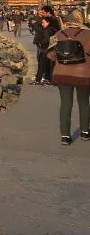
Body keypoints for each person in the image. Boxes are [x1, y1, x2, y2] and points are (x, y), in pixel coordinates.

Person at [47, 9, 90, 145]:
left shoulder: (58, 34)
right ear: (81, 19)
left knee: (65, 103)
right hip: (83, 74)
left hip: (62, 74)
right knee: (84, 103)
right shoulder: (88, 34)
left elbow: (50, 55)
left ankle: (65, 135)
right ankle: (85, 132)